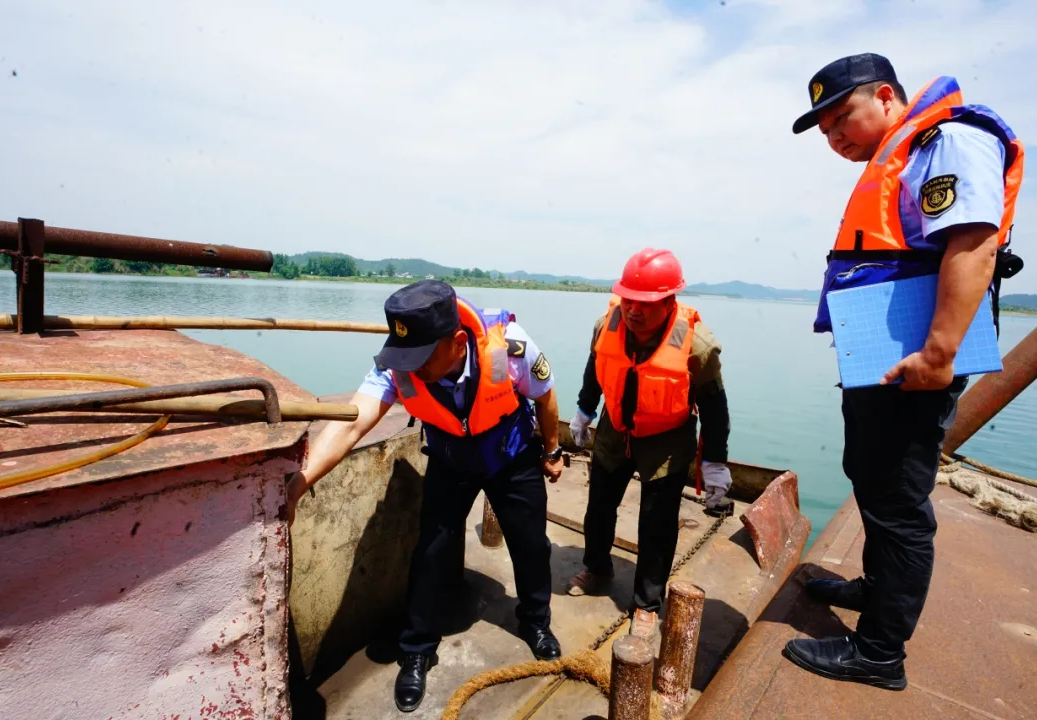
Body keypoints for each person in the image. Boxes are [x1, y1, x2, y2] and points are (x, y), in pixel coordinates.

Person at [784, 53, 1024, 690]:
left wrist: (939, 354)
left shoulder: (948, 141)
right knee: (868, 476)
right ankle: (875, 587)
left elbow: (973, 241)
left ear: (887, 97)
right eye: (826, 130)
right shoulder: (904, 153)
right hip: (882, 359)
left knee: (897, 501)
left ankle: (879, 653)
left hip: (916, 362)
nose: (835, 137)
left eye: (842, 117)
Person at [285, 280, 565, 713]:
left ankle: (535, 622)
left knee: (530, 545)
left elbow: (546, 399)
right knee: (432, 552)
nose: (410, 370)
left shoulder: (510, 346)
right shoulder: (398, 365)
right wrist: (298, 485)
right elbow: (351, 424)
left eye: (420, 359)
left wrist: (551, 451)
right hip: (452, 458)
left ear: (458, 343)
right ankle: (417, 648)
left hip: (510, 455)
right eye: (404, 358)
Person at [565, 248, 733, 642]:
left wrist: (714, 463)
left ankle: (647, 603)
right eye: (628, 299)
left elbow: (715, 406)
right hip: (615, 427)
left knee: (657, 522)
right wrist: (584, 410)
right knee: (599, 506)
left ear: (669, 301)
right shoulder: (605, 326)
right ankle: (597, 567)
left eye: (645, 303)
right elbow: (595, 369)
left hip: (666, 437)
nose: (633, 310)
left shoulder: (698, 346)